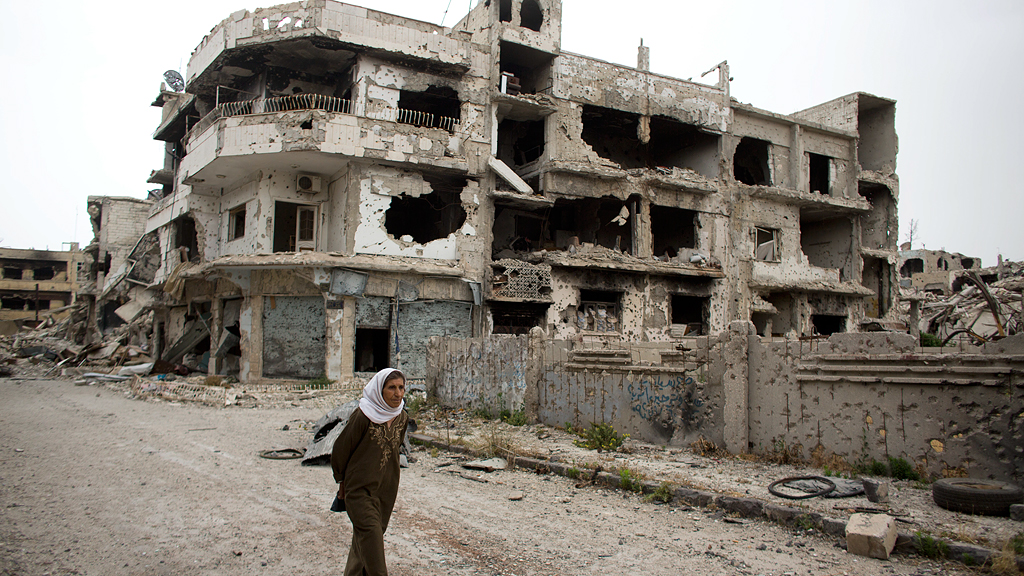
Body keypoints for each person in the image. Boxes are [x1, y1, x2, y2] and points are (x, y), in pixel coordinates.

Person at [331, 368, 408, 576]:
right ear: (379, 390)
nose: (398, 393)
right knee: (373, 545)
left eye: (401, 387)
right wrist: (342, 482)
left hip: (385, 491)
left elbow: (394, 448)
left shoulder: (402, 418)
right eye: (391, 388)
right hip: (359, 491)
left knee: (363, 542)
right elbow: (341, 449)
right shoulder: (364, 416)